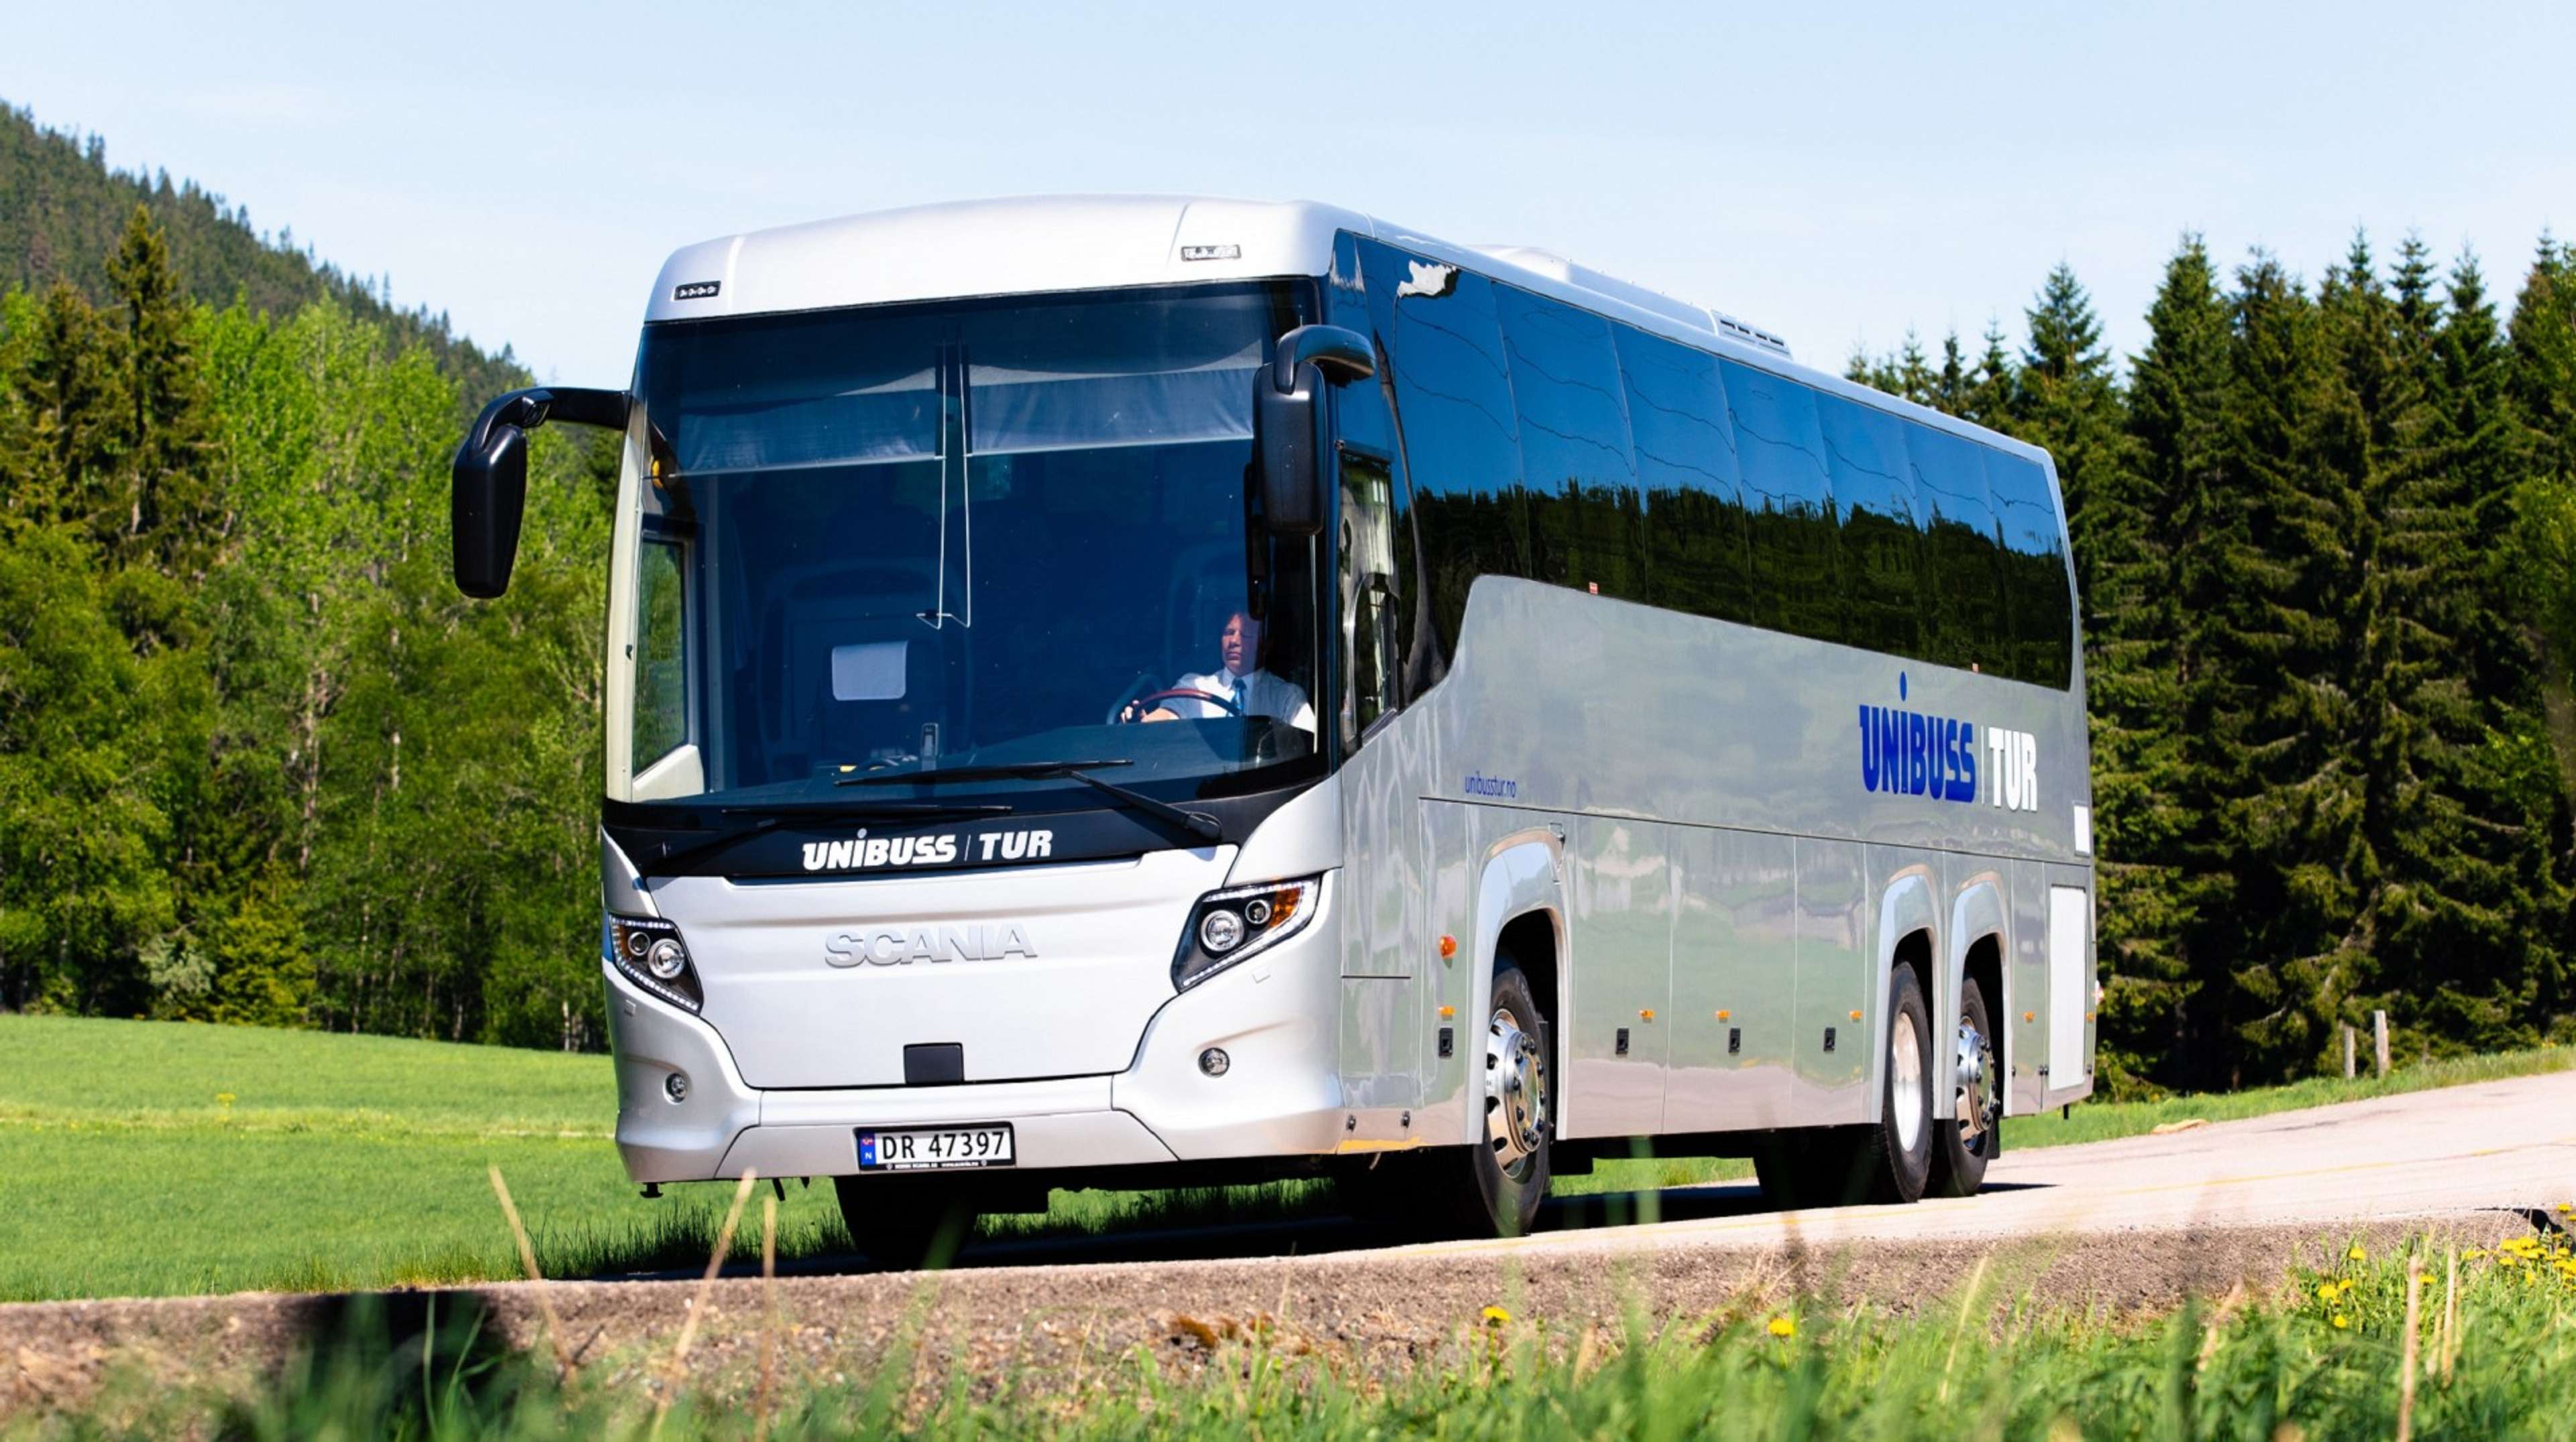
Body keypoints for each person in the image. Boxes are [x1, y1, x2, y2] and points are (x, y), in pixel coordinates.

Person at [1126, 610, 1314, 732]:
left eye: (1245, 635)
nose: (1234, 641)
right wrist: (1145, 723)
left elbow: (1304, 745)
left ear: (1265, 645)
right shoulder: (1193, 685)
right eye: (1228, 633)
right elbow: (1168, 714)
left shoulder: (1287, 697)